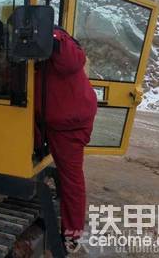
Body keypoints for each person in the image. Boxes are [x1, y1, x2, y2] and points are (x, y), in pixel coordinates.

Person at [34, 26, 97, 250]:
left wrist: (52, 39)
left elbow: (70, 61)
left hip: (69, 124)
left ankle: (72, 235)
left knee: (71, 178)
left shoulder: (59, 45)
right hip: (54, 118)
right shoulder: (40, 53)